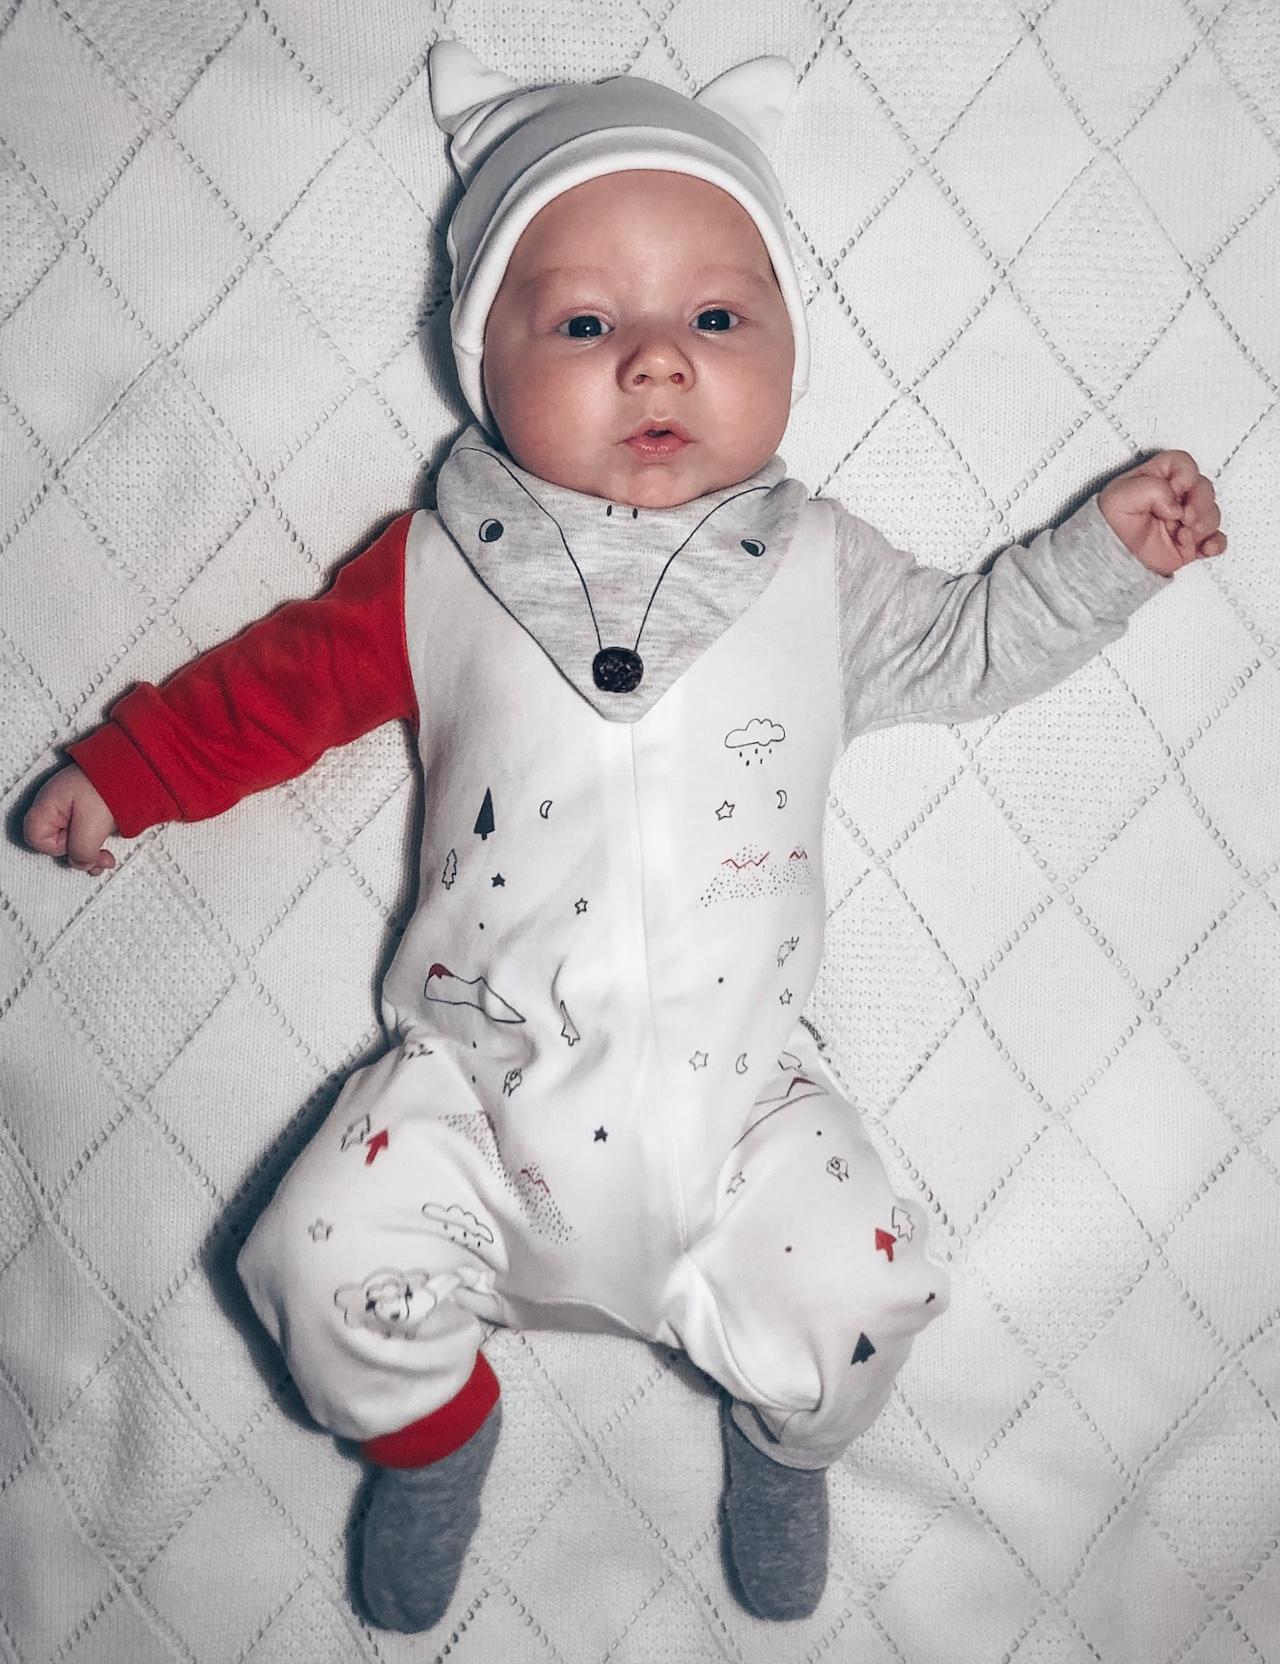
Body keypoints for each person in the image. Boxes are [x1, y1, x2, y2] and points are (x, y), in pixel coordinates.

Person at [23, 39, 1225, 1633]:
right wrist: (131, 769)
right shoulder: (438, 567)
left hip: (742, 1109)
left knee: (866, 1284)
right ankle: (432, 1434)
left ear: (790, 347)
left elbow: (971, 644)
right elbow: (274, 690)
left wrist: (1103, 561)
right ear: (483, 358)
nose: (657, 363)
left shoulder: (820, 570)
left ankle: (785, 1440)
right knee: (309, 1255)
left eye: (715, 320)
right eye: (587, 325)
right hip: (471, 1093)